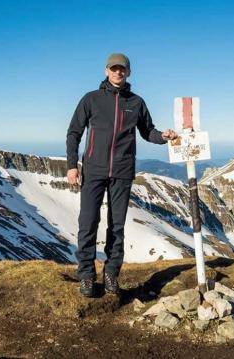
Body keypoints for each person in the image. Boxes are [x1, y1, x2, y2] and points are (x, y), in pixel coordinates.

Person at [66, 53, 178, 297]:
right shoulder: (91, 99)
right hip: (94, 171)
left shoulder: (136, 102)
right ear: (106, 71)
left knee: (117, 226)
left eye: (122, 69)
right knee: (88, 223)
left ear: (128, 72)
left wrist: (163, 137)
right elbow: (74, 132)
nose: (118, 72)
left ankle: (111, 274)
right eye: (114, 69)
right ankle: (86, 275)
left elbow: (147, 131)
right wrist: (72, 165)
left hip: (122, 172)